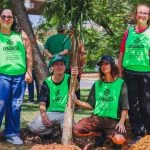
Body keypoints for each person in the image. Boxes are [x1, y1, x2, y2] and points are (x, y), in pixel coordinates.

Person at [73, 55, 129, 150]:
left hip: (113, 121)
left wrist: (121, 122)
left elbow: (125, 106)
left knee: (119, 139)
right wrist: (76, 101)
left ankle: (109, 139)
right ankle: (100, 134)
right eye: (101, 64)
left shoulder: (120, 83)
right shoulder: (97, 84)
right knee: (76, 130)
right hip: (96, 119)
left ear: (112, 66)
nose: (103, 66)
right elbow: (90, 105)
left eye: (106, 63)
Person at [118, 3, 150, 145]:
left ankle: (148, 133)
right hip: (129, 73)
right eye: (140, 12)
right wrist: (119, 71)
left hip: (146, 74)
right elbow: (121, 53)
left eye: (145, 13)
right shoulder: (128, 32)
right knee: (133, 104)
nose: (142, 15)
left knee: (146, 104)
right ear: (136, 14)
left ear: (148, 16)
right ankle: (138, 133)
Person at [0, 9, 32, 144]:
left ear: (13, 19)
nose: (6, 19)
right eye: (3, 16)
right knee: (0, 105)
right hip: (2, 76)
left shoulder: (21, 34)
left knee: (15, 106)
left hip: (19, 77)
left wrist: (29, 71)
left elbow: (29, 54)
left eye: (9, 17)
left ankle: (12, 134)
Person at [28, 54, 78, 136]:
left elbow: (77, 88)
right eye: (56, 64)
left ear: (65, 66)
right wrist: (44, 115)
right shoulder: (47, 82)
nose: (59, 67)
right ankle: (52, 131)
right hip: (51, 113)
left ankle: (58, 131)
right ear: (52, 67)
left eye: (61, 64)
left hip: (65, 113)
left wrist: (75, 77)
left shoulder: (69, 78)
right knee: (34, 128)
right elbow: (42, 102)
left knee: (71, 132)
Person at [69, 26, 85, 100]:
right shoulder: (67, 40)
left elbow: (82, 54)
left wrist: (81, 67)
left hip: (76, 67)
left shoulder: (79, 41)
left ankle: (77, 103)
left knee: (77, 85)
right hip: (67, 66)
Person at [27, 34, 44, 103]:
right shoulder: (40, 44)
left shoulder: (29, 44)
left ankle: (31, 99)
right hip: (38, 68)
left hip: (31, 67)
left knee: (30, 84)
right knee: (38, 84)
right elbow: (42, 55)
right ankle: (39, 98)